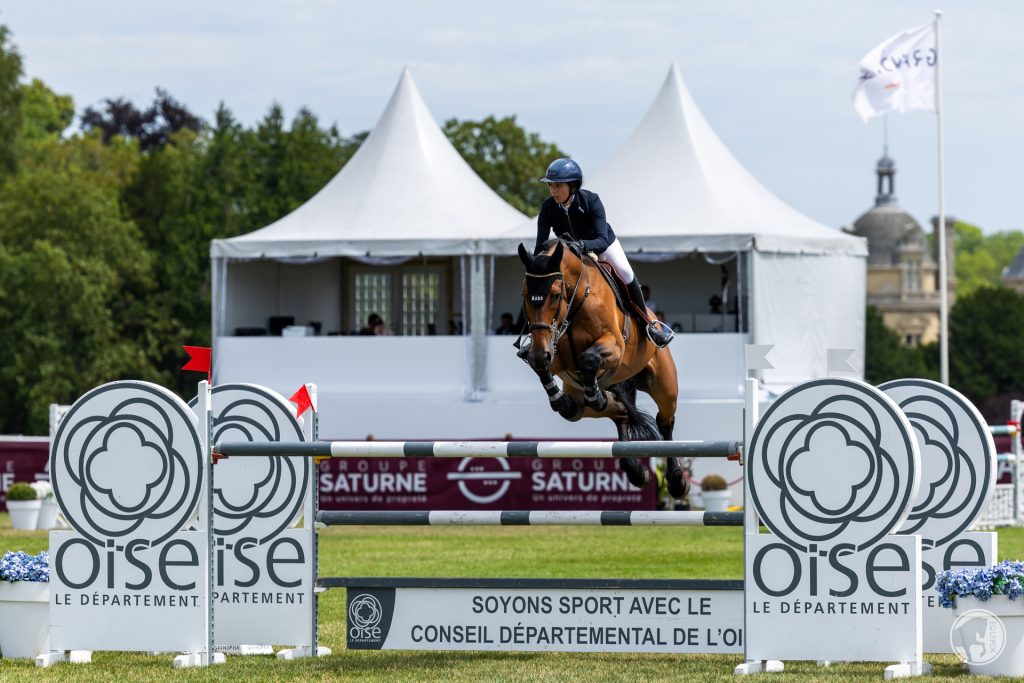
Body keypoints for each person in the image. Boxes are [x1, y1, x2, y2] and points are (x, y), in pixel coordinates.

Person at [533, 158, 673, 347]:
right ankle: (533, 335)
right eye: (551, 185)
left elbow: (601, 239)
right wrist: (537, 266)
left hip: (603, 246)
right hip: (574, 252)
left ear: (573, 185)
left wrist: (582, 246)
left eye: (558, 185)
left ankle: (649, 326)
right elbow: (541, 243)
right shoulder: (548, 207)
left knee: (625, 273)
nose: (553, 191)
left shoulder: (591, 201)